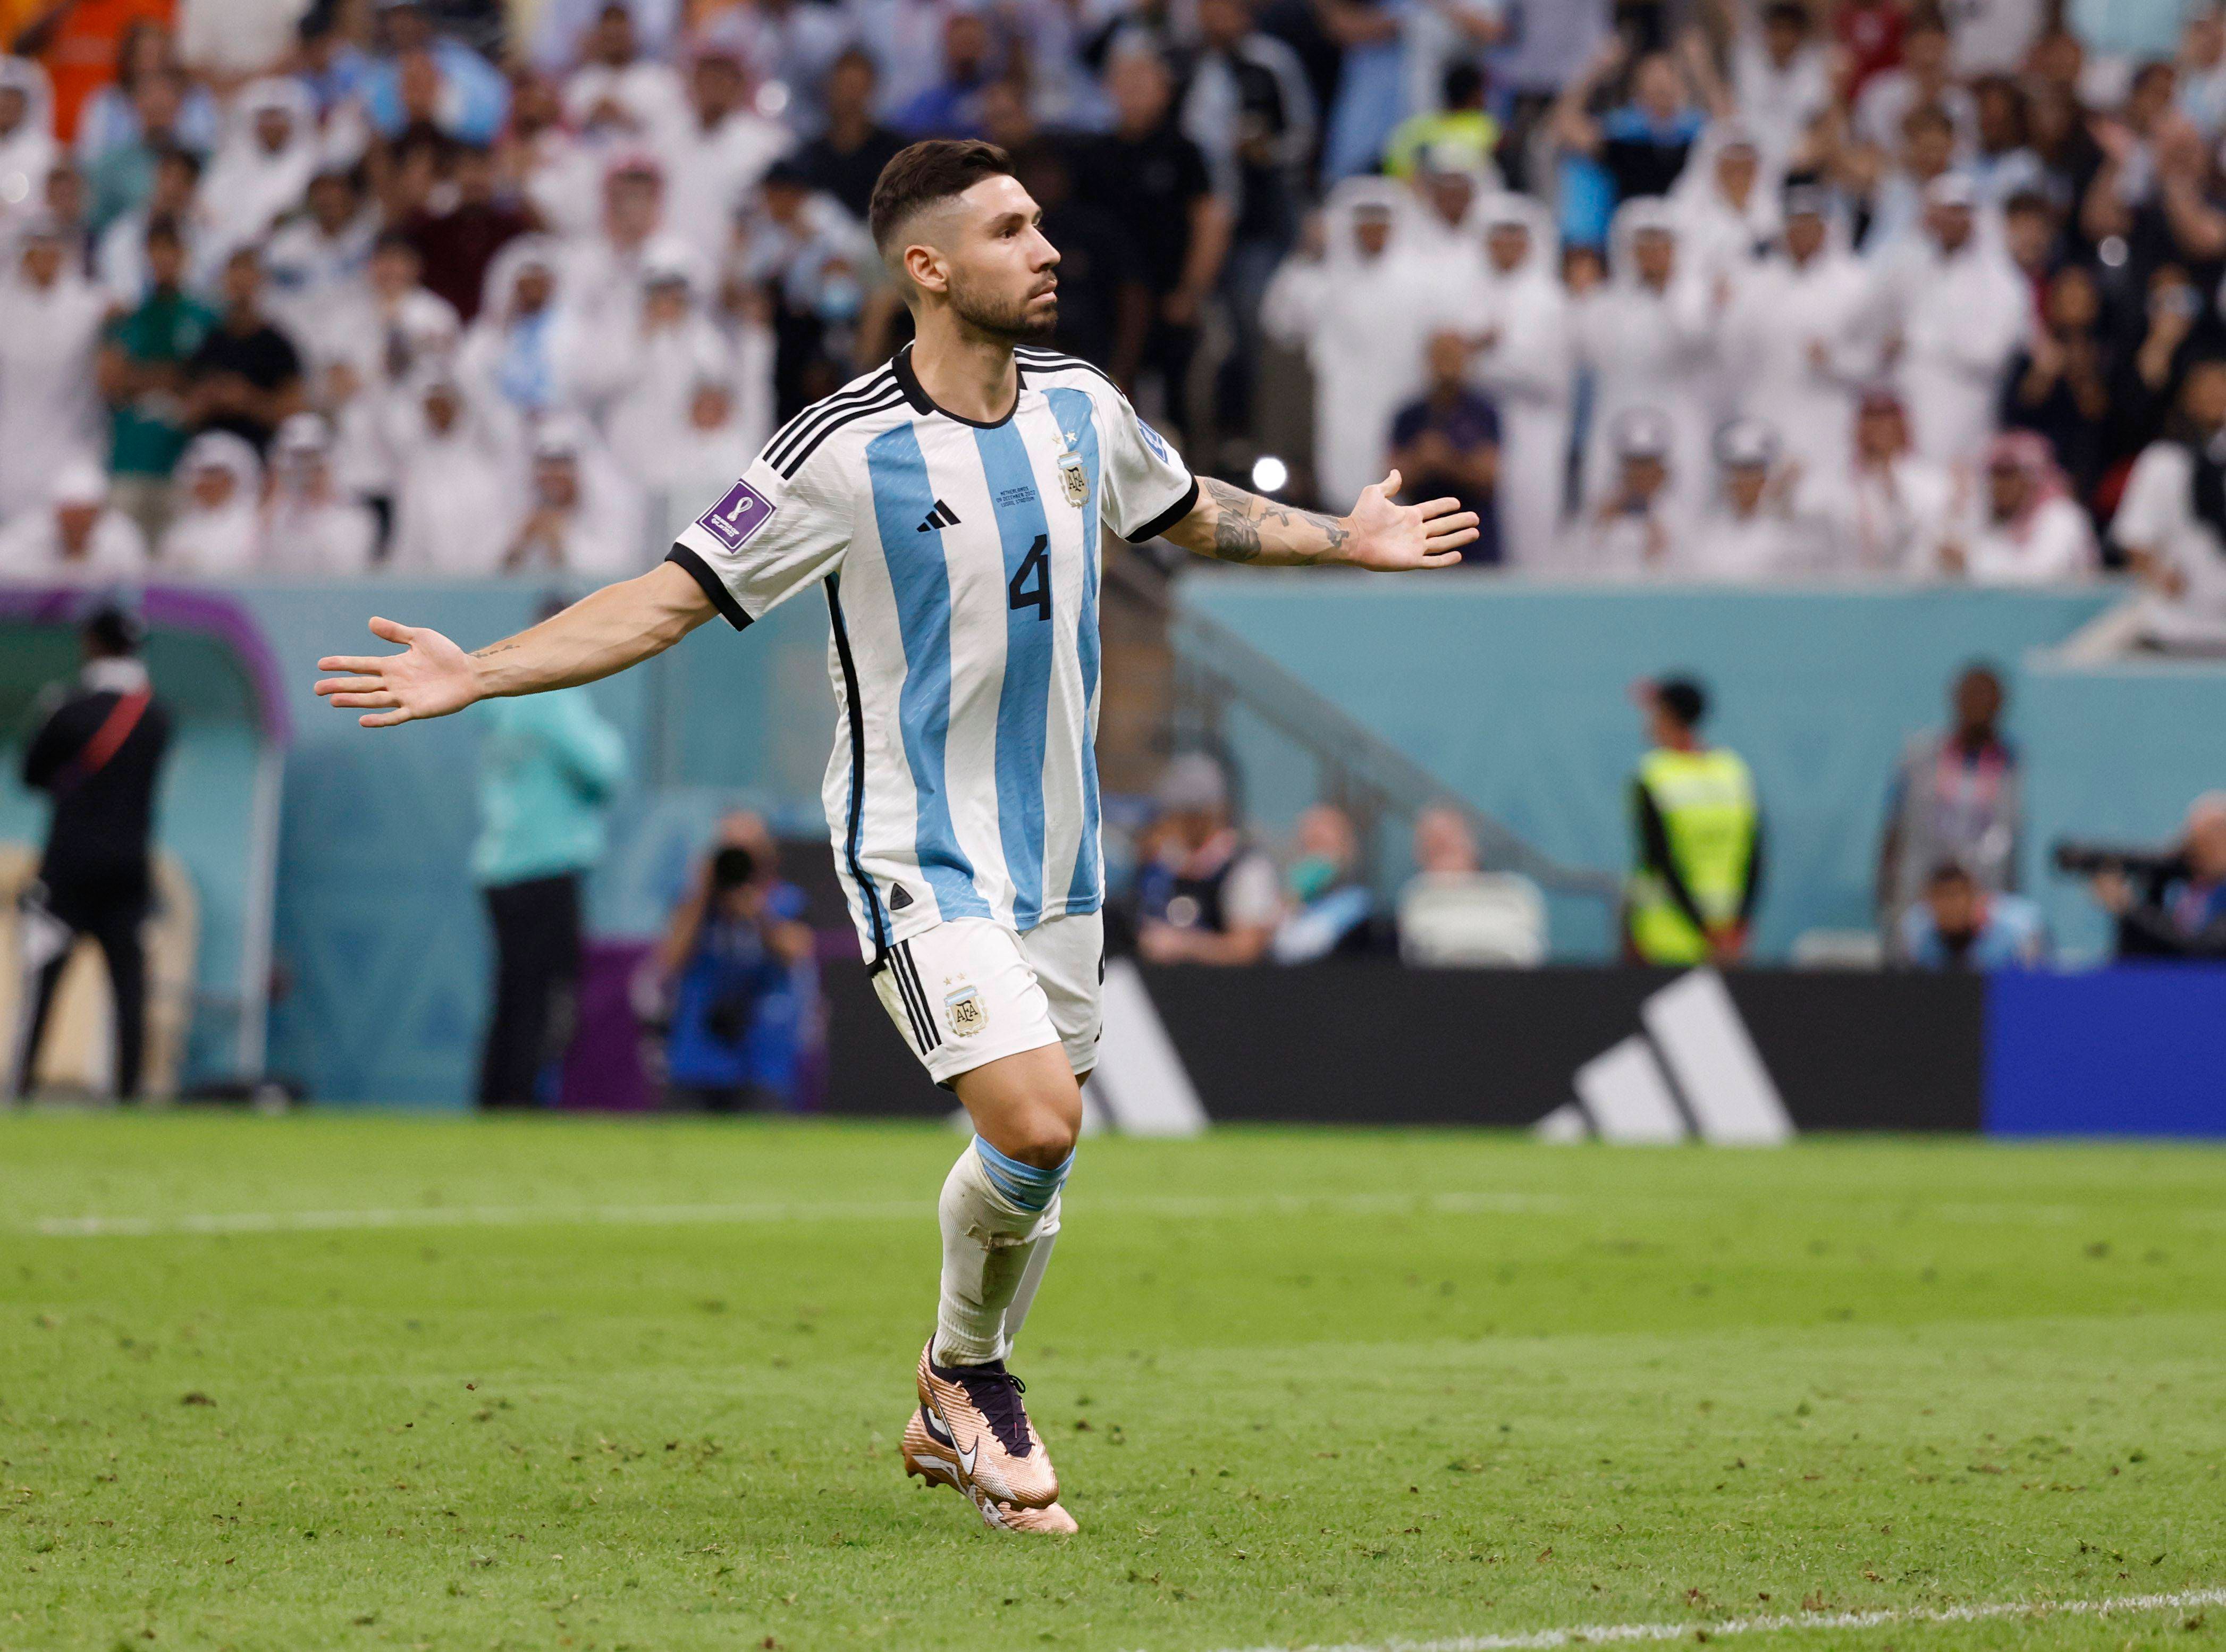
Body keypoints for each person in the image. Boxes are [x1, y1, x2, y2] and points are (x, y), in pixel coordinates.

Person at [313, 139, 1475, 1536]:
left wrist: (1343, 541)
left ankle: (943, 1385)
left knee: (1047, 1144)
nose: (1045, 248)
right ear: (925, 266)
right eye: (1008, 229)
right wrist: (482, 668)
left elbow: (1187, 510)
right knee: (1034, 1113)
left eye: (1041, 221)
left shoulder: (1079, 409)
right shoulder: (835, 450)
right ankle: (978, 1378)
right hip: (914, 847)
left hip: (1059, 854)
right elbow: (667, 596)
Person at [10, 606, 170, 1101]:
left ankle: (23, 1086)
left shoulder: (68, 708)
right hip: (128, 867)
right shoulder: (156, 716)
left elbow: (31, 775)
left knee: (45, 983)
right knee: (129, 989)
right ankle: (130, 1092)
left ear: (92, 644)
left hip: (70, 867)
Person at [468, 637, 626, 1109]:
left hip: (500, 866)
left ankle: (496, 1102)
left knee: (513, 993)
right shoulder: (553, 693)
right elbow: (604, 768)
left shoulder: (503, 697)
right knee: (549, 996)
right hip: (547, 866)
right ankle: (524, 1102)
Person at [654, 840, 817, 1111]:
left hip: (760, 1056)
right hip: (697, 1053)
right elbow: (670, 960)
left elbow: (798, 951)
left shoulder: (786, 901)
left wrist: (759, 913)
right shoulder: (694, 905)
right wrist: (703, 893)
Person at [1453, 192, 1572, 567]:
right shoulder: (1469, 292)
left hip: (1535, 429)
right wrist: (1486, 350)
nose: (1505, 246)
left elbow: (1547, 375)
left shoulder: (1549, 298)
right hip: (1477, 429)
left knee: (1531, 527)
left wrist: (1485, 352)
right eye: (1497, 236)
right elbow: (1449, 362)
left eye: (1514, 236)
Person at [1877, 663, 2022, 951]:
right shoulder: (1919, 760)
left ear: (2002, 705)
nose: (1979, 706)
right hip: (1919, 909)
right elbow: (1893, 833)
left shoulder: (2012, 767)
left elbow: (2013, 848)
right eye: (1971, 696)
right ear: (1955, 698)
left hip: (1985, 921)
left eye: (1988, 698)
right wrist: (1887, 901)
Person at [1624, 675, 1763, 966]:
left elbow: (1659, 860)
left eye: (1654, 712)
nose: (1647, 723)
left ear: (1669, 716)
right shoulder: (1733, 772)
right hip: (1727, 939)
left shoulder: (1652, 775)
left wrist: (1705, 931)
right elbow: (1755, 858)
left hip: (1666, 939)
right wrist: (1736, 929)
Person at [2105, 357, 2226, 652]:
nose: (2215, 395)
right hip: (2174, 627)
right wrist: (2161, 577)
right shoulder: (2162, 462)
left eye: (2221, 386)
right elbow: (2134, 539)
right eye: (2205, 387)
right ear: (2187, 397)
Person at [1133, 752, 1284, 965]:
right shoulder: (1167, 864)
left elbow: (1248, 948)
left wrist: (1183, 944)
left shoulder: (1246, 866)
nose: (1169, 826)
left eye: (1182, 817)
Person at [1386, 330, 1500, 564]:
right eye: (1441, 356)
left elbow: (1489, 477)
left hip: (1475, 544)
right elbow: (1392, 482)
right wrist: (1422, 460)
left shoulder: (1483, 412)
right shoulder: (1409, 416)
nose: (1446, 365)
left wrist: (1444, 460)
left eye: (1453, 356)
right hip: (1422, 543)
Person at [1938, 432, 2097, 584]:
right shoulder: (1997, 520)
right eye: (1995, 476)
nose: (2000, 486)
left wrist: (1971, 561)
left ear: (2032, 479)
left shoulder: (2063, 517)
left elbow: (2039, 578)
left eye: (2010, 476)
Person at [2089, 792, 2226, 959]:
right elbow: (2139, 954)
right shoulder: (2185, 889)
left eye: (2219, 832)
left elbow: (2200, 951)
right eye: (2195, 835)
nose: (2204, 845)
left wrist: (2130, 908)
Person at [1682, 419, 1813, 580]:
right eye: (1737, 470)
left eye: (1753, 470)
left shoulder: (1789, 535)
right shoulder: (1706, 536)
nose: (1745, 480)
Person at [0, 460, 148, 582]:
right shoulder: (27, 536)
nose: (77, 523)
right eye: (71, 516)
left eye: (85, 516)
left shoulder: (122, 539)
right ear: (57, 514)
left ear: (98, 515)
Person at [1269, 802, 1379, 962]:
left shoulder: (1357, 903)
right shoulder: (1286, 903)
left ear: (1346, 851)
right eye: (1310, 845)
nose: (1316, 856)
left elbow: (1300, 946)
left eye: (1323, 845)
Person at [1900, 860, 2047, 967]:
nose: (1949, 906)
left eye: (1955, 896)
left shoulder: (2008, 943)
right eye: (1941, 897)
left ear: (1972, 898)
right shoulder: (1922, 945)